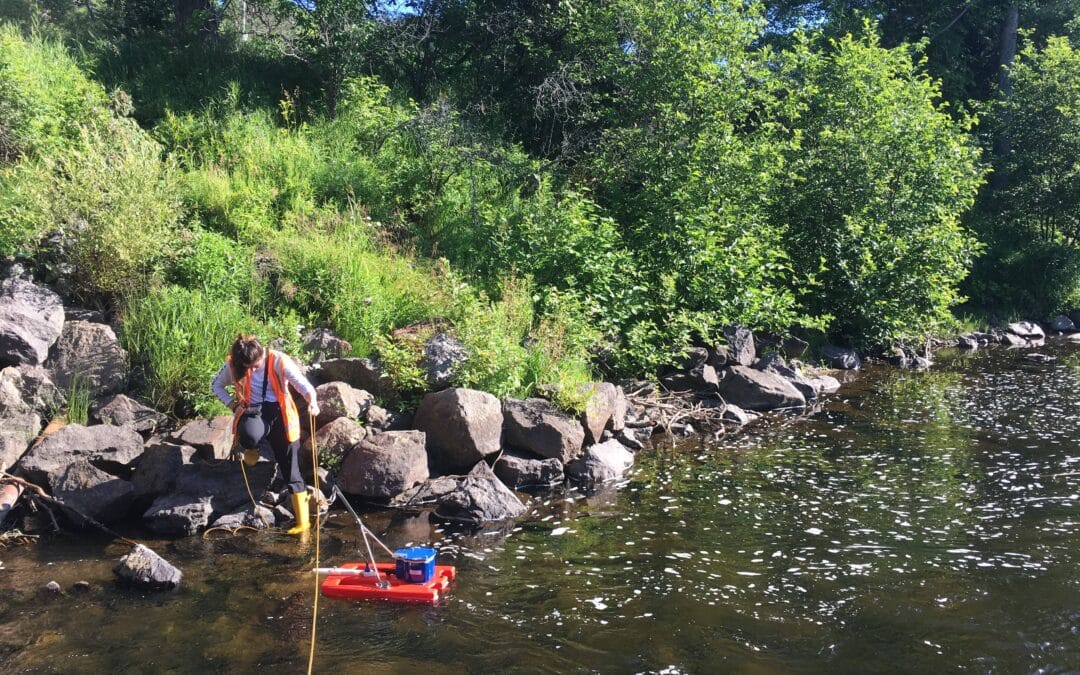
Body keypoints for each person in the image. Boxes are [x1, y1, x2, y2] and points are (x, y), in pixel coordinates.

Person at [212, 334, 320, 535]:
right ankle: (251, 449)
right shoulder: (234, 365)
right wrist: (232, 405)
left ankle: (303, 523)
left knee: (291, 468)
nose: (253, 369)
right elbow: (215, 385)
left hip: (281, 414)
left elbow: (303, 385)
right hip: (254, 411)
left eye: (256, 364)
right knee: (248, 434)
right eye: (249, 367)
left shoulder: (279, 361)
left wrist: (312, 402)